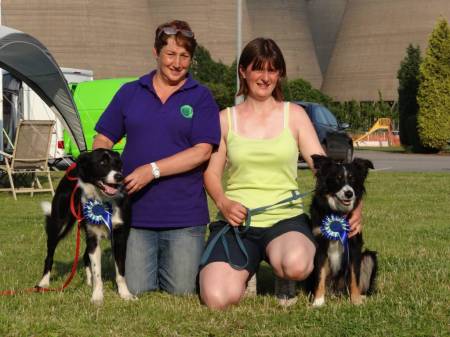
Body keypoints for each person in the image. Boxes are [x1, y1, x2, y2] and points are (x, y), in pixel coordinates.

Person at [199, 37, 362, 310]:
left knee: (298, 265)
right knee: (216, 298)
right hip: (240, 222)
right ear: (243, 71)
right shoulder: (225, 119)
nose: (265, 77)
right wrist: (224, 204)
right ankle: (245, 270)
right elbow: (211, 175)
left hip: (286, 222)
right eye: (258, 69)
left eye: (272, 70)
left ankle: (283, 275)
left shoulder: (295, 115)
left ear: (280, 74)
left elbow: (323, 169)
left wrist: (355, 206)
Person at [93, 20, 220, 295]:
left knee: (183, 291)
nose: (177, 63)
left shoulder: (201, 97)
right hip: (135, 216)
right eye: (170, 54)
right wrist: (101, 169)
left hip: (185, 218)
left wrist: (152, 170)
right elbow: (103, 138)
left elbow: (202, 151)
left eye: (184, 56)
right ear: (156, 52)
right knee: (136, 288)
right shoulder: (130, 92)